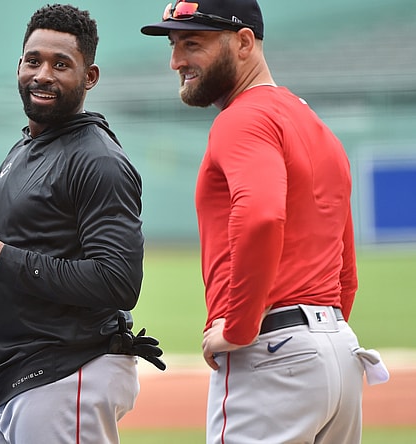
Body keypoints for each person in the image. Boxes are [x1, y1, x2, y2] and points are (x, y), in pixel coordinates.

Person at [140, 1, 389, 443]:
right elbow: (345, 269)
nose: (176, 60)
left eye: (192, 44)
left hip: (273, 357)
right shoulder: (316, 127)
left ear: (244, 42)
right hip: (338, 352)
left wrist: (239, 326)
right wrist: (320, 343)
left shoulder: (243, 118)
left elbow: (260, 217)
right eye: (174, 45)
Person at [0, 4, 164, 443]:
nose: (43, 74)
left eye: (61, 64)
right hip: (16, 379)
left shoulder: (98, 159)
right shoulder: (22, 151)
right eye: (34, 61)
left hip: (70, 373)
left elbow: (119, 282)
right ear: (19, 65)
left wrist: (2, 258)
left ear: (90, 77)